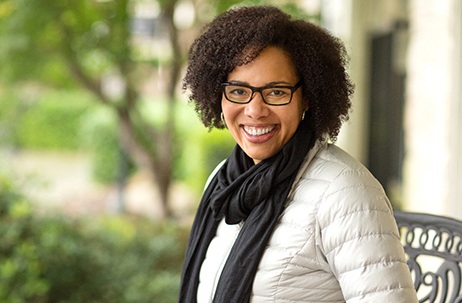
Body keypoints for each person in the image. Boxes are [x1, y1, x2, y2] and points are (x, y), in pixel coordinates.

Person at [178, 5, 418, 303]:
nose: (254, 110)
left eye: (277, 92)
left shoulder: (344, 192)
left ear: (307, 98)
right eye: (239, 91)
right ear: (217, 93)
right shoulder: (222, 181)